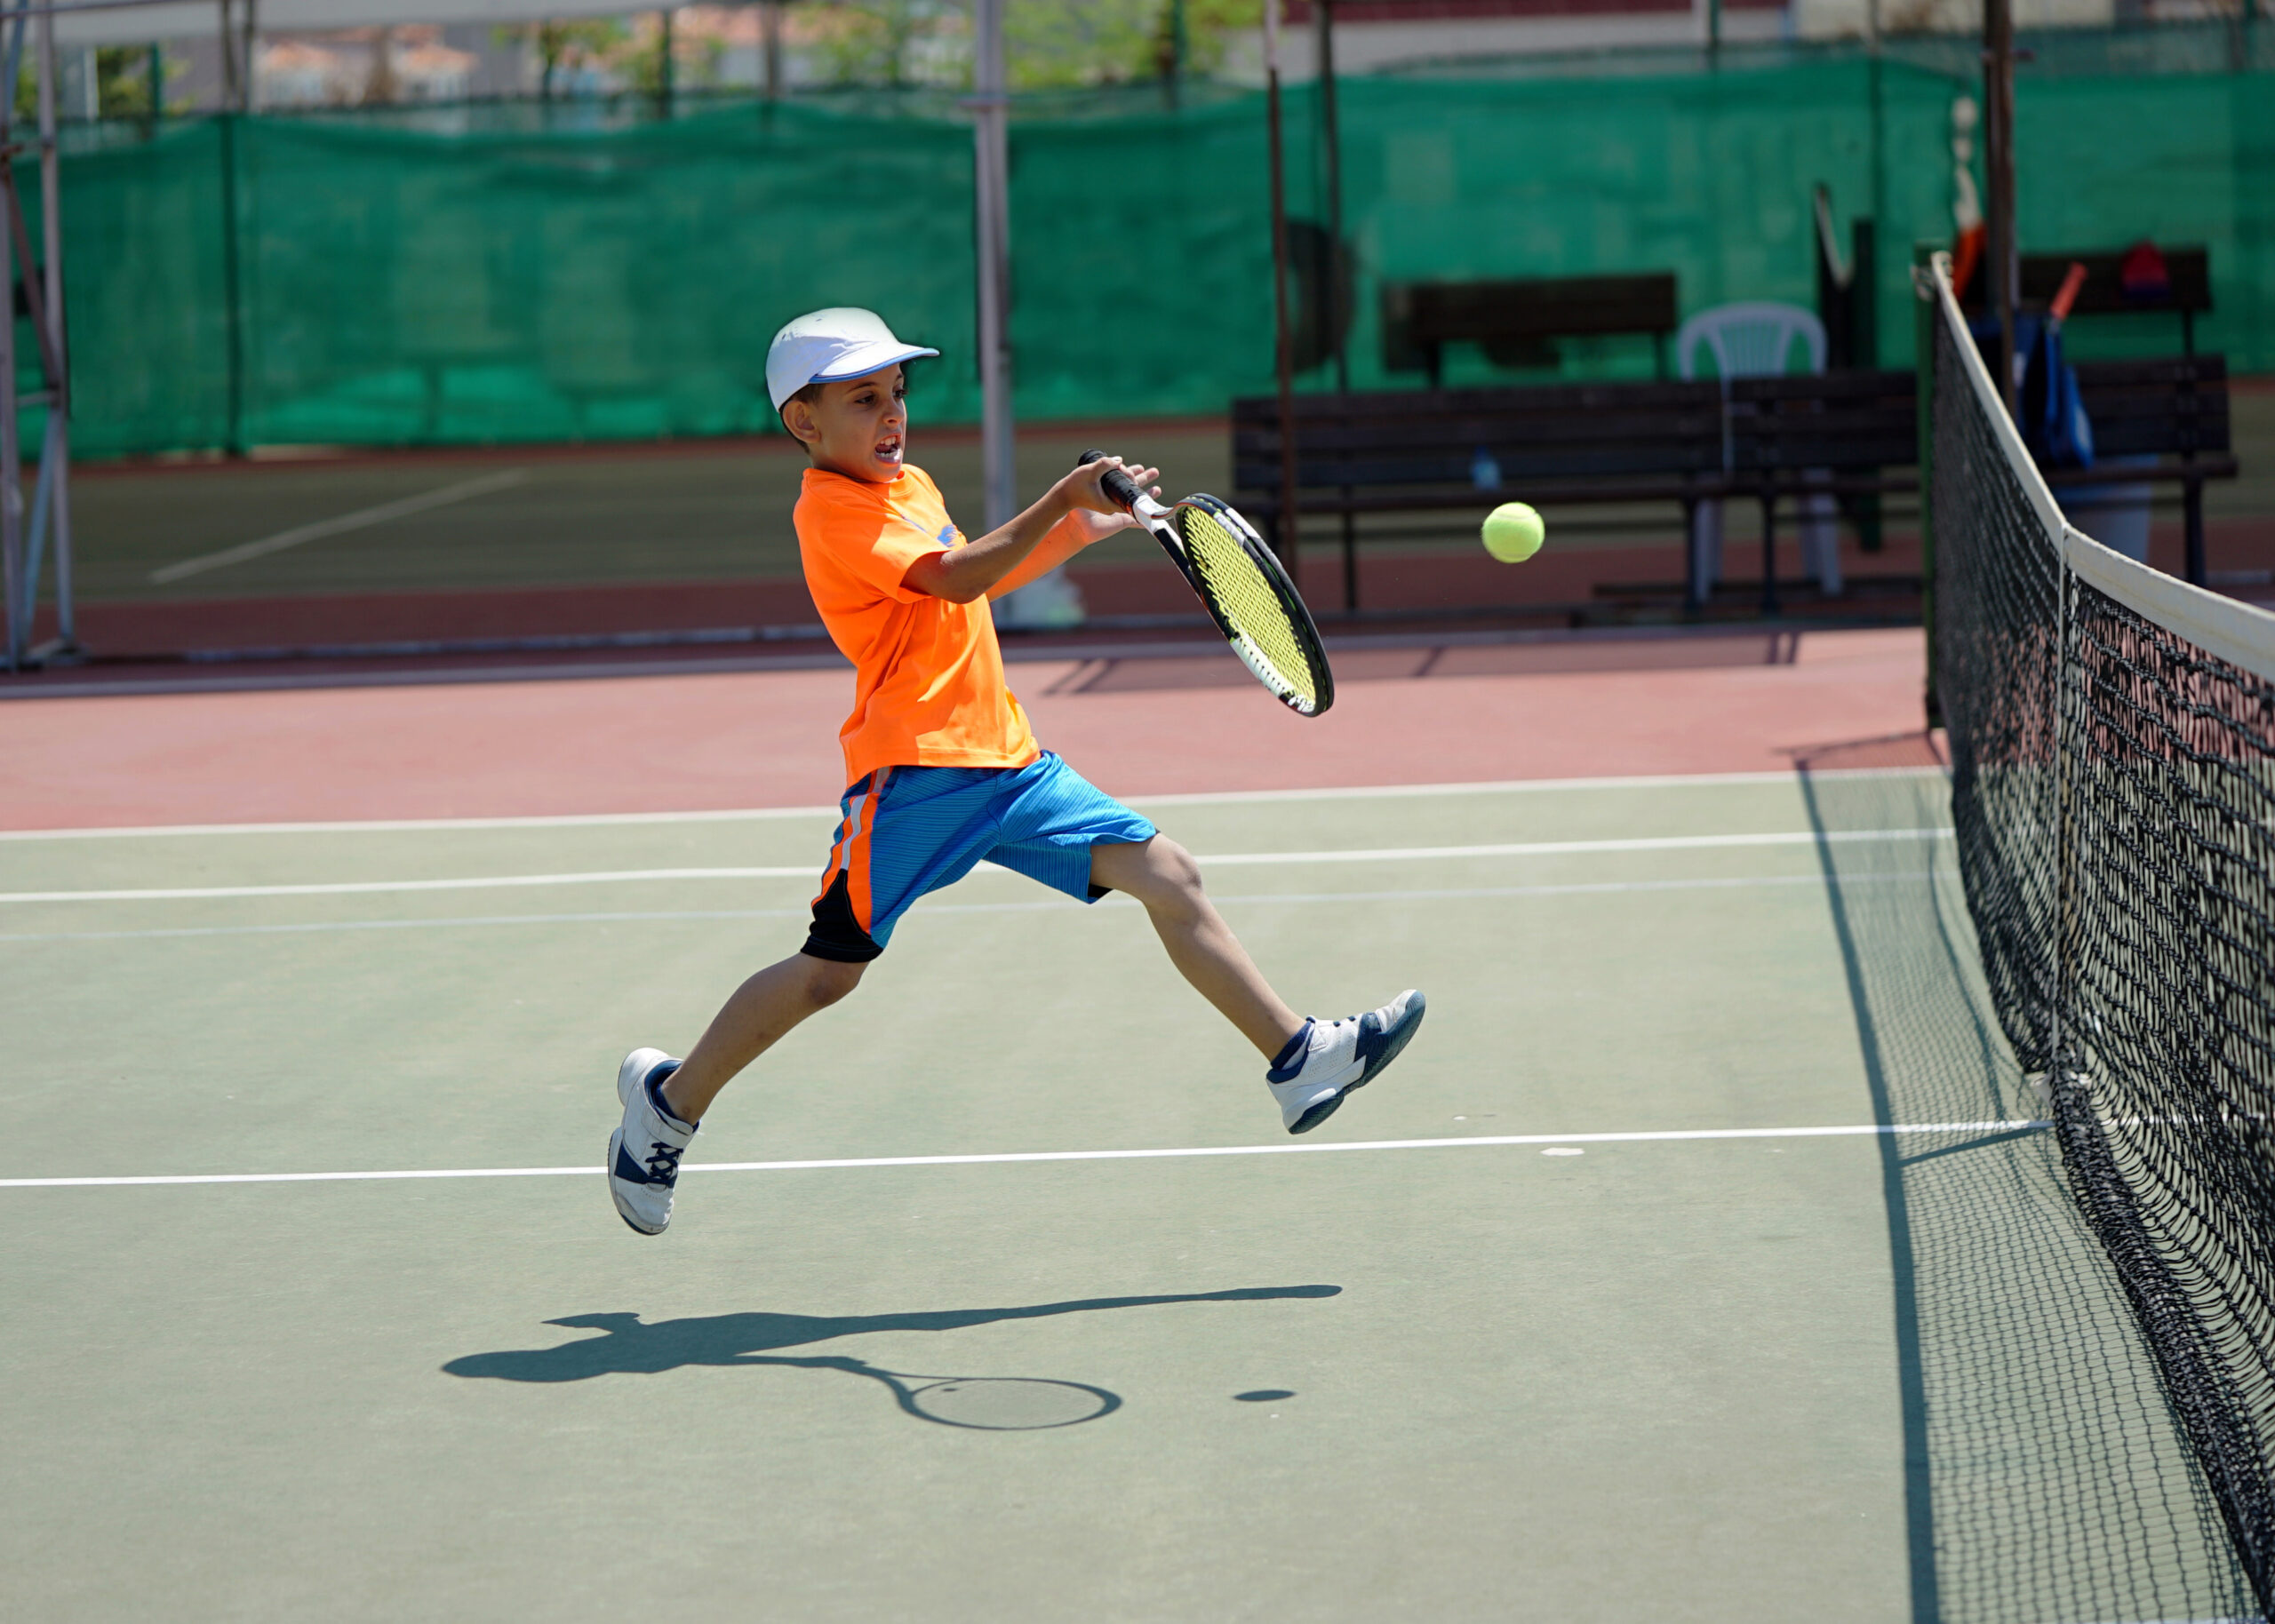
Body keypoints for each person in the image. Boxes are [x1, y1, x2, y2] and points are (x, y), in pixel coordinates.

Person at [607, 307, 1425, 1235]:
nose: (891, 414)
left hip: (1008, 761)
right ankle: (667, 1105)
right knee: (828, 974)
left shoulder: (906, 483)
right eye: (863, 398)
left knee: (1169, 872)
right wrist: (1060, 496)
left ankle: (1298, 1057)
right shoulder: (830, 511)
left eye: (897, 392)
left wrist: (1079, 528)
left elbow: (978, 574)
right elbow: (953, 578)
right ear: (804, 422)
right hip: (914, 776)